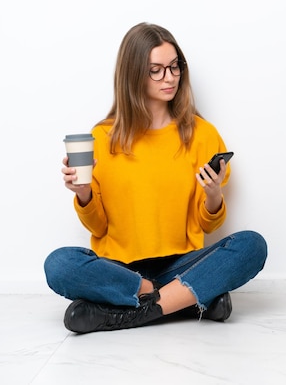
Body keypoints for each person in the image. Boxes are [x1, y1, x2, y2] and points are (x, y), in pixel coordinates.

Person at [44, 23, 268, 334]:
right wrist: (83, 194)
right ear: (133, 74)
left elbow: (207, 225)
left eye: (175, 67)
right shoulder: (102, 137)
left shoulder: (202, 135)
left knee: (252, 245)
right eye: (157, 70)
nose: (170, 77)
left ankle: (130, 312)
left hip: (181, 262)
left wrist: (214, 195)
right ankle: (187, 299)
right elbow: (98, 227)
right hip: (121, 269)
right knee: (59, 264)